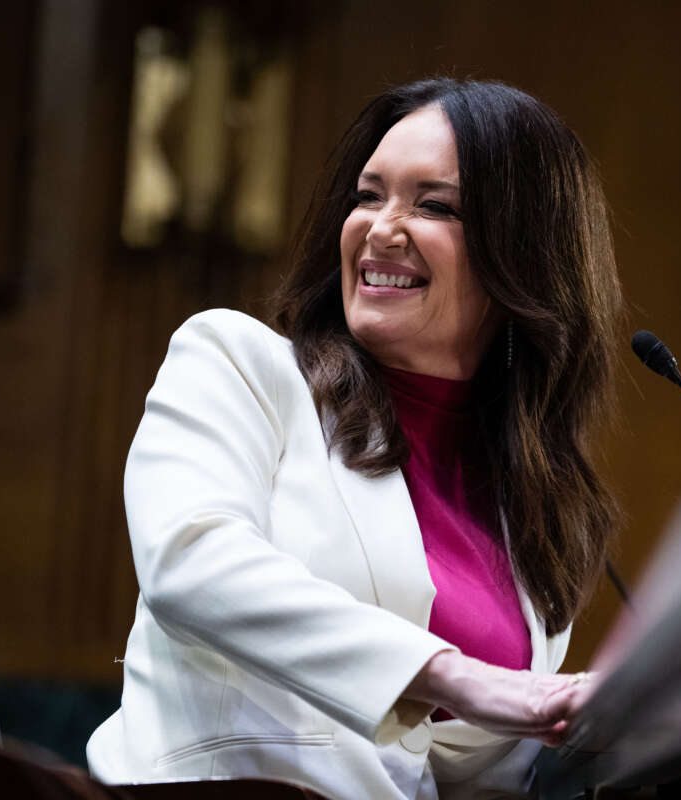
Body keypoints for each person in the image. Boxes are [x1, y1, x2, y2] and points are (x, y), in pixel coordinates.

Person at [86, 78, 622, 800]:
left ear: (525, 256)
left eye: (434, 206)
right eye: (369, 196)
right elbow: (192, 560)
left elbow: (456, 771)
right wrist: (457, 676)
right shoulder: (239, 363)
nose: (380, 227)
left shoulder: (529, 495)